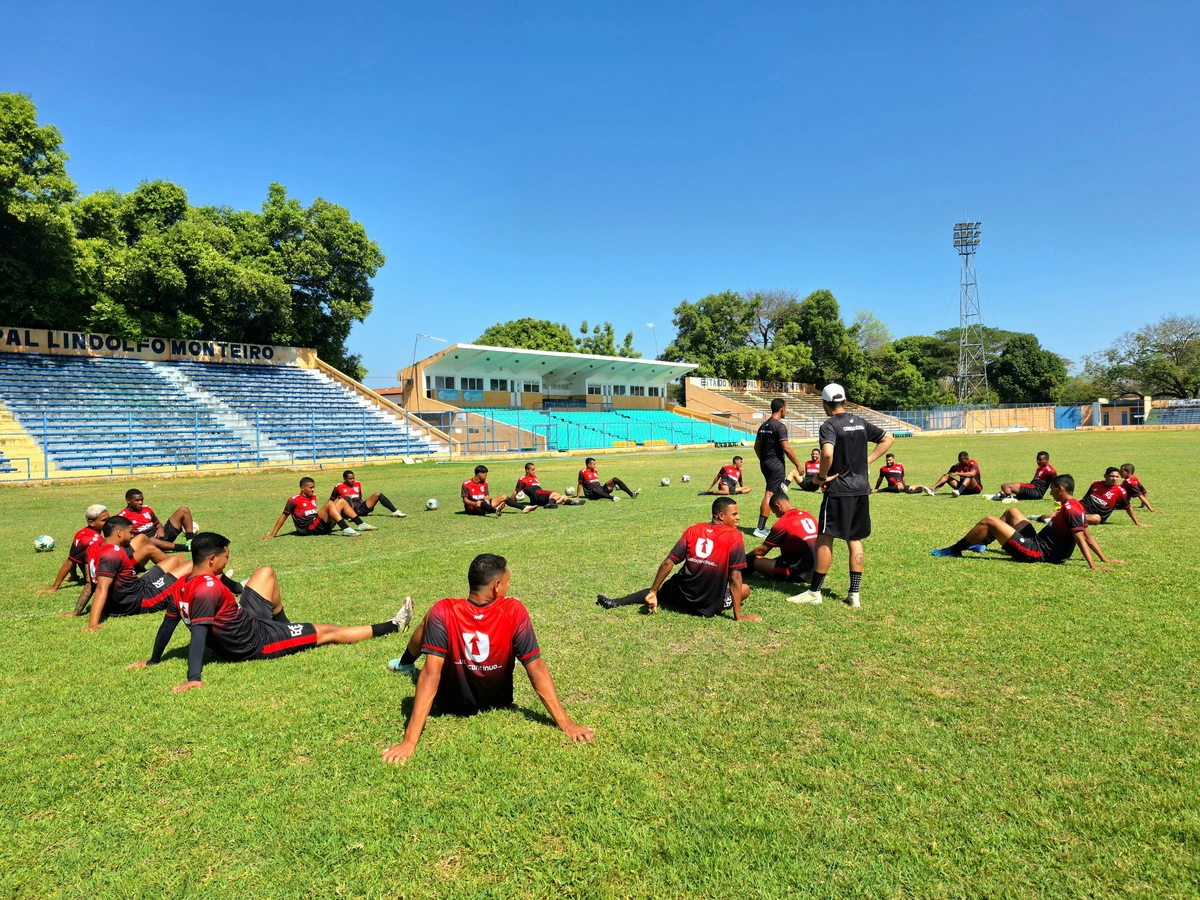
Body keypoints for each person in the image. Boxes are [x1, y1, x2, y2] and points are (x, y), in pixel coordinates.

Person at [127, 532, 413, 691]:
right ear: (212, 558)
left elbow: (167, 626)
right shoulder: (207, 589)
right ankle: (394, 625)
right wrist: (194, 678)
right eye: (226, 556)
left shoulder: (182, 585)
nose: (228, 560)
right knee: (329, 631)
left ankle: (287, 627)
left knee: (264, 573)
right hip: (256, 641)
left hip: (246, 619)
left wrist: (154, 661)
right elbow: (199, 635)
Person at [382, 554, 594, 764]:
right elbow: (536, 669)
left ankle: (406, 663)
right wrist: (567, 725)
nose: (509, 586)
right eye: (508, 581)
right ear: (497, 585)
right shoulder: (515, 611)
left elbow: (430, 675)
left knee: (431, 618)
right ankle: (406, 663)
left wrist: (409, 742)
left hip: (450, 705)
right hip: (498, 702)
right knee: (435, 620)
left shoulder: (443, 609)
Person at [800, 384, 893, 608]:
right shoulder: (860, 422)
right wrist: (867, 461)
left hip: (839, 489)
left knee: (825, 537)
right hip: (861, 488)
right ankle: (854, 594)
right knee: (855, 539)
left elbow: (827, 452)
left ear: (824, 404)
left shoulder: (829, 425)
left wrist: (821, 476)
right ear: (845, 400)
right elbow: (888, 438)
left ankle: (815, 591)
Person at [595, 496, 758, 621]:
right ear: (721, 515)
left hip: (680, 595)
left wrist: (653, 591)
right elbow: (735, 577)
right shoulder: (734, 536)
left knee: (659, 591)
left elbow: (668, 562)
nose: (738, 518)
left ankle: (616, 602)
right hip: (708, 606)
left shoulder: (693, 530)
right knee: (745, 589)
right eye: (735, 514)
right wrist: (738, 616)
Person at [931, 474, 1123, 570]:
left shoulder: (1071, 509)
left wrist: (1094, 566)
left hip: (1036, 552)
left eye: (1053, 489)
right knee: (1012, 511)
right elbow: (1087, 536)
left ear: (1061, 489)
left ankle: (955, 549)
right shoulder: (1076, 505)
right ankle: (981, 544)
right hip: (1039, 541)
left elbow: (1082, 538)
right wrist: (1104, 558)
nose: (1050, 492)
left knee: (989, 520)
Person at [78, 516, 194, 632]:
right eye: (130, 532)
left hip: (136, 587)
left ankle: (182, 585)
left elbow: (90, 583)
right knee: (194, 564)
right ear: (119, 532)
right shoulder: (112, 554)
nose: (132, 536)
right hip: (140, 600)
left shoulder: (93, 548)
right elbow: (100, 588)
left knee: (177, 559)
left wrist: (76, 612)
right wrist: (93, 624)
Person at [747, 494, 819, 595]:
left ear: (778, 506)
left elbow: (762, 551)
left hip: (799, 573)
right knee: (772, 562)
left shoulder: (784, 521)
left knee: (751, 560)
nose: (776, 515)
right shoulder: (808, 515)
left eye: (774, 512)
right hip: (817, 569)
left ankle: (734, 573)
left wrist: (744, 557)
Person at [753, 398, 804, 538]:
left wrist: (764, 460)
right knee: (770, 494)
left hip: (766, 464)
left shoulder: (763, 426)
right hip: (776, 465)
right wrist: (798, 464)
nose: (786, 411)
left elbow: (756, 447)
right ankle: (760, 528)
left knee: (778, 492)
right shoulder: (779, 426)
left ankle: (785, 523)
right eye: (786, 408)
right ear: (782, 409)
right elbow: (786, 447)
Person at [263, 477, 372, 538]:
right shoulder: (293, 499)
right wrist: (273, 534)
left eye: (314, 487)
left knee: (342, 501)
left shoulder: (313, 497)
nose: (313, 490)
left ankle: (361, 524)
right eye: (310, 487)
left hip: (320, 525)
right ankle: (346, 529)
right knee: (330, 504)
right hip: (309, 528)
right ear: (302, 488)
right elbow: (284, 516)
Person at [39, 504, 108, 595]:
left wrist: (74, 576)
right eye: (104, 520)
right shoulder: (92, 540)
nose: (109, 522)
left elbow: (73, 556)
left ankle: (74, 576)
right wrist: (54, 588)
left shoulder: (82, 533)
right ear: (91, 522)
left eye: (108, 518)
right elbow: (70, 562)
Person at [118, 489, 196, 552]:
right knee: (151, 540)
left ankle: (190, 540)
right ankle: (185, 548)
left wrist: (160, 528)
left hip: (162, 536)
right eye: (137, 500)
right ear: (128, 500)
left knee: (184, 510)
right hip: (148, 543)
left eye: (142, 500)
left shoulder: (147, 509)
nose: (140, 503)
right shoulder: (122, 517)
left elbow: (157, 523)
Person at [1073, 467, 1146, 527]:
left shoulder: (1120, 491)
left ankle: (1070, 517)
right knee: (1069, 503)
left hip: (1092, 515)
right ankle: (1068, 514)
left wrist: (1137, 523)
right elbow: (1085, 498)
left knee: (1096, 519)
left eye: (1117, 477)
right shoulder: (1096, 484)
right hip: (1080, 507)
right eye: (1112, 476)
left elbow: (1128, 507)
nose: (1114, 479)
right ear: (1105, 476)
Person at [331, 469, 406, 518]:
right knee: (347, 498)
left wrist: (368, 506)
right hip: (348, 509)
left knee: (377, 494)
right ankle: (351, 516)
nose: (353, 480)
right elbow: (331, 500)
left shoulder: (358, 484)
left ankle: (395, 512)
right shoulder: (338, 486)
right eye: (350, 479)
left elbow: (359, 498)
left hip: (360, 508)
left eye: (353, 478)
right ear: (344, 478)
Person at [512, 462, 584, 510]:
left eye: (534, 470)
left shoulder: (534, 477)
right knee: (556, 495)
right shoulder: (522, 479)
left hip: (539, 496)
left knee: (564, 497)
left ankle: (572, 503)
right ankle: (549, 504)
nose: (534, 471)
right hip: (536, 495)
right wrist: (509, 501)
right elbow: (516, 491)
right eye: (532, 470)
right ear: (527, 470)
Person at [992, 451, 1056, 501]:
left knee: (1005, 486)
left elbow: (1056, 483)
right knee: (1004, 490)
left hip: (1036, 492)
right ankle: (1000, 495)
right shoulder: (1040, 468)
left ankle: (1009, 497)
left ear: (1047, 460)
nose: (1038, 461)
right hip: (1032, 489)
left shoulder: (1050, 471)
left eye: (1040, 459)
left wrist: (1053, 493)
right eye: (1037, 459)